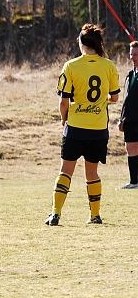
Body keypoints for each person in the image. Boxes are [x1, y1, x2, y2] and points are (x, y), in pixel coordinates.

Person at [47, 24, 120, 226]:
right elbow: (114, 98)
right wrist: (100, 101)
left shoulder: (71, 66)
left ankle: (55, 213)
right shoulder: (109, 66)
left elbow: (63, 101)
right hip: (98, 130)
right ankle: (95, 215)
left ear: (81, 42)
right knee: (92, 174)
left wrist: (64, 117)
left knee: (65, 171)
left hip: (75, 128)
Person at [117, 41, 138, 189]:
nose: (133, 57)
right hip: (129, 120)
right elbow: (125, 99)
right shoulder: (130, 75)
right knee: (130, 149)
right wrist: (121, 118)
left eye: (136, 54)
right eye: (131, 54)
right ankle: (133, 181)